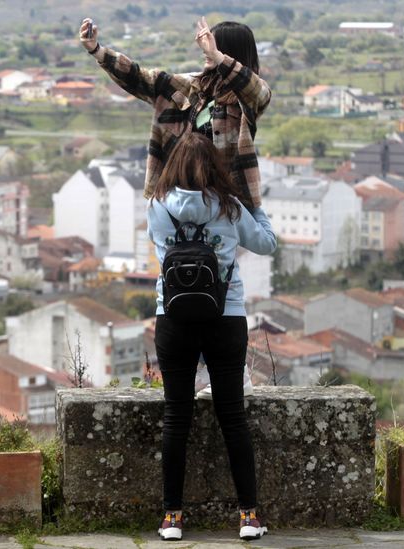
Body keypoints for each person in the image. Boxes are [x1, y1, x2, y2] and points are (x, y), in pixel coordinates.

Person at [80, 15, 270, 397]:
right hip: (176, 201)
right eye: (205, 46)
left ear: (230, 52)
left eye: (212, 46)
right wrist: (97, 51)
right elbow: (139, 77)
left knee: (221, 276)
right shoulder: (185, 89)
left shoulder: (243, 102)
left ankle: (225, 370)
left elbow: (259, 92)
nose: (203, 53)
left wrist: (219, 60)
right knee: (180, 269)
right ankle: (203, 370)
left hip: (219, 203)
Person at [146, 132, 277, 541]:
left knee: (176, 416)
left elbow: (160, 254)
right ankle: (249, 517)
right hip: (226, 314)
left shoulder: (157, 207)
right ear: (213, 168)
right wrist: (255, 205)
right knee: (232, 416)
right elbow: (267, 244)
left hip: (173, 316)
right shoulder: (230, 207)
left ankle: (172, 518)